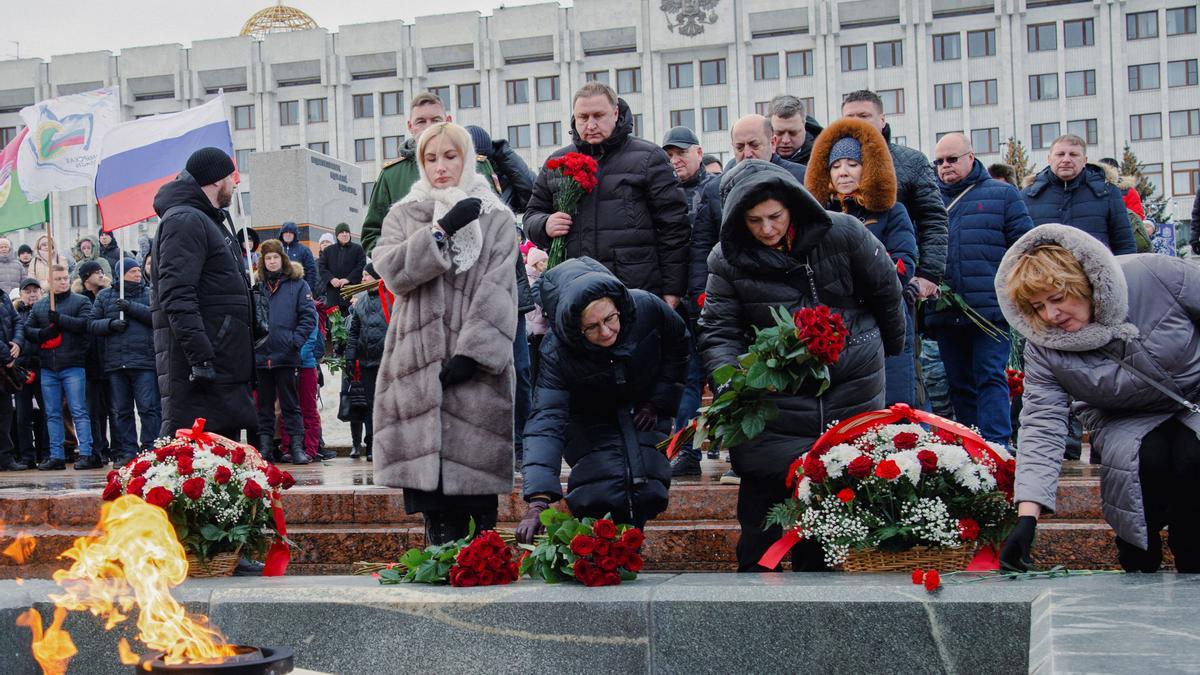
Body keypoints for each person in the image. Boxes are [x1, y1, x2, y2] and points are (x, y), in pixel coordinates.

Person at [699, 160, 905, 572]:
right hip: (773, 399)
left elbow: (887, 295)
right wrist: (731, 385)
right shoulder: (726, 259)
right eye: (754, 221)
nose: (767, 229)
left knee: (825, 523)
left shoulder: (843, 233)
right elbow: (720, 330)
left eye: (774, 216)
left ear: (793, 205)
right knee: (761, 522)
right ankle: (755, 615)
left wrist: (880, 352)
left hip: (849, 386)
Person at [996, 223, 1200, 574]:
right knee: (1144, 460)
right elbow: (1041, 425)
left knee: (1191, 454)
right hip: (1122, 415)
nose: (1050, 316)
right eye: (1037, 306)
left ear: (1085, 282)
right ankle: (1139, 560)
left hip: (1195, 395)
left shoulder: (1154, 274)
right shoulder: (1045, 346)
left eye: (1058, 298)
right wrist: (1027, 516)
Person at [371, 121, 518, 545]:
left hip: (475, 372)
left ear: (468, 158)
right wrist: (440, 230)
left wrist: (475, 353)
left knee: (475, 502)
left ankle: (480, 568)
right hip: (415, 365)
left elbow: (499, 287)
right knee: (431, 501)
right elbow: (394, 272)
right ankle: (437, 561)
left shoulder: (497, 218)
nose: (440, 167)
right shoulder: (403, 212)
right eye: (430, 158)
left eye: (450, 156)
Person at [517, 257, 688, 541]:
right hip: (588, 417)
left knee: (647, 484)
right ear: (575, 329)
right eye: (592, 327)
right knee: (601, 486)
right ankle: (600, 550)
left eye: (609, 319)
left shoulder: (645, 307)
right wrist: (538, 499)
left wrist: (659, 400)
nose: (606, 332)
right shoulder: (557, 351)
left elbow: (679, 344)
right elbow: (547, 418)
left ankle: (628, 548)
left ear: (619, 307)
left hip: (642, 405)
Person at [524, 82, 690, 305]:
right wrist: (545, 224)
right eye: (583, 117)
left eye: (598, 116)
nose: (590, 125)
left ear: (615, 113)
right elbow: (532, 215)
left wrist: (672, 290)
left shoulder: (649, 158)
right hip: (575, 288)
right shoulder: (557, 164)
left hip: (635, 289)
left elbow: (674, 228)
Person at [927, 133, 1033, 445]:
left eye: (952, 159)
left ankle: (998, 447)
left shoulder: (1003, 195)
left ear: (970, 158)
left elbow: (1023, 249)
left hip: (989, 310)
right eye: (940, 161)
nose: (945, 166)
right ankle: (972, 446)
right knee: (959, 384)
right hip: (945, 311)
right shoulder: (929, 199)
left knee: (991, 378)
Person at [805, 117, 918, 407]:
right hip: (834, 324)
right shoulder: (815, 219)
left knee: (893, 404)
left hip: (884, 318)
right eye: (835, 165)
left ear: (868, 168)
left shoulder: (892, 212)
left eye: (852, 164)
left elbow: (904, 263)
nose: (843, 172)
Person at [152, 147, 257, 439]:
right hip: (203, 367)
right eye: (230, 178)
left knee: (223, 463)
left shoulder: (208, 220)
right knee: (198, 467)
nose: (235, 184)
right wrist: (201, 358)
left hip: (222, 362)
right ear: (214, 181)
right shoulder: (185, 220)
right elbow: (177, 295)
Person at [841, 90, 948, 300]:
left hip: (897, 279)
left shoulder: (912, 161)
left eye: (864, 116)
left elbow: (933, 219)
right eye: (849, 118)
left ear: (882, 120)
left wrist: (928, 275)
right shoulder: (829, 165)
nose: (857, 124)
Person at [360, 92, 495, 254]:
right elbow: (372, 234)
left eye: (436, 120)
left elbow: (496, 224)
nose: (429, 126)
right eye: (421, 121)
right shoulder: (391, 175)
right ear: (411, 127)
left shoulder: (477, 166)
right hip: (417, 275)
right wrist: (400, 263)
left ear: (448, 122)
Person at [661, 125, 721, 477]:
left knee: (722, 375)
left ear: (699, 153)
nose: (675, 160)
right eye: (669, 156)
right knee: (686, 379)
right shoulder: (663, 192)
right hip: (677, 302)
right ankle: (686, 452)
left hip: (714, 300)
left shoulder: (715, 190)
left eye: (681, 153)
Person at [20, 266, 97, 470]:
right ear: (49, 281)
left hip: (73, 365)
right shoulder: (40, 305)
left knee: (78, 410)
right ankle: (57, 455)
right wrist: (43, 334)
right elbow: (28, 329)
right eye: (58, 279)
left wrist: (61, 320)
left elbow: (86, 324)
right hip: (48, 367)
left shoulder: (80, 301)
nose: (63, 282)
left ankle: (87, 453)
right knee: (52, 413)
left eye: (65, 278)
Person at [88, 258, 158, 467]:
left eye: (138, 270)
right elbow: (91, 324)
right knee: (121, 410)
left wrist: (130, 308)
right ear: (121, 274)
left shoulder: (148, 293)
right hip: (116, 363)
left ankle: (151, 448)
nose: (138, 274)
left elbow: (156, 318)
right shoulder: (104, 296)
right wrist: (110, 324)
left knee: (148, 408)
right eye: (132, 271)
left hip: (143, 361)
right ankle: (128, 450)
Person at [253, 241, 317, 465]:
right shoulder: (257, 287)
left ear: (283, 259)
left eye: (275, 257)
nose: (272, 262)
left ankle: (297, 447)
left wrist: (294, 341)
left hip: (286, 355)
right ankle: (265, 449)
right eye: (268, 258)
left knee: (291, 405)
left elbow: (309, 316)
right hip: (261, 356)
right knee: (264, 407)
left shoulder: (298, 285)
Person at [1021, 135, 1136, 255]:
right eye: (1060, 154)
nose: (1066, 159)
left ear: (1085, 160)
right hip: (1044, 272)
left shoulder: (1107, 193)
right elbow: (1019, 248)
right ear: (1049, 159)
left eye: (1073, 154)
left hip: (1094, 272)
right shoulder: (1028, 196)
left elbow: (1125, 244)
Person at [343, 264, 389, 461]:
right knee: (371, 405)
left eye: (366, 275)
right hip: (367, 362)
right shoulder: (360, 302)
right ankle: (371, 444)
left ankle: (388, 444)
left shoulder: (391, 299)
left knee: (387, 405)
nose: (362, 279)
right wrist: (350, 357)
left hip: (387, 362)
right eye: (362, 275)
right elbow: (354, 332)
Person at [74, 260, 114, 463]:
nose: (100, 275)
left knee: (111, 408)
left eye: (101, 271)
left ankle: (113, 448)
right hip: (89, 361)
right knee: (93, 409)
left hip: (108, 359)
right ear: (86, 276)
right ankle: (97, 447)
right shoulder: (80, 299)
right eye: (95, 272)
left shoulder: (109, 295)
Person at [12, 278, 47, 469]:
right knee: (23, 415)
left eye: (35, 290)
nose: (32, 294)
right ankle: (27, 456)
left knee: (47, 413)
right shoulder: (16, 313)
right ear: (21, 294)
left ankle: (46, 453)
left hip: (43, 367)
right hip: (22, 369)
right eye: (28, 291)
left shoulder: (46, 311)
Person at [466, 125, 535, 213]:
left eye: (481, 160)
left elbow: (533, 197)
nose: (478, 166)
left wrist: (504, 154)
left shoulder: (503, 178)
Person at [727, 114, 807, 183]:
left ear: (772, 143)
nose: (747, 154)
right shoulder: (721, 185)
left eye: (755, 145)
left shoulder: (803, 178)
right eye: (739, 148)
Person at [316, 223, 366, 313]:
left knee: (350, 322)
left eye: (347, 232)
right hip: (333, 296)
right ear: (337, 235)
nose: (344, 234)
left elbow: (361, 266)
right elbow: (322, 267)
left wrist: (348, 279)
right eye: (341, 232)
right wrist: (331, 279)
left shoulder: (358, 249)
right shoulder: (328, 250)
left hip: (351, 294)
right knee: (334, 324)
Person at [768, 94, 824, 167]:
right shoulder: (755, 155)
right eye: (779, 133)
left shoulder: (825, 156)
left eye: (793, 133)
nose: (785, 140)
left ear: (804, 126)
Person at [0, 279, 20, 471]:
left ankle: (5, 456)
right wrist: (7, 354)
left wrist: (17, 343)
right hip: (4, 359)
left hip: (4, 366)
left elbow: (17, 321)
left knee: (5, 412)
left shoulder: (3, 296)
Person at [278, 221, 319, 292]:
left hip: (299, 289)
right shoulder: (277, 249)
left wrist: (309, 290)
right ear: (282, 234)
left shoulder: (304, 250)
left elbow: (311, 271)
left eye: (290, 232)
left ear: (295, 234)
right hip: (279, 288)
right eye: (285, 232)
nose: (288, 234)